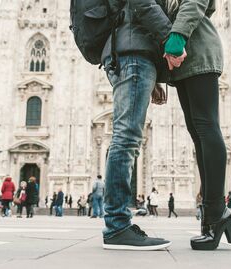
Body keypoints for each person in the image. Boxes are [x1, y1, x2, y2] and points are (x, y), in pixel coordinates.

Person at [163, 0, 231, 250]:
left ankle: (216, 210)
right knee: (198, 133)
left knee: (207, 128)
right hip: (182, 62)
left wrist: (177, 37)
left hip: (198, 51)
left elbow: (197, 3)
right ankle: (211, 215)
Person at [98, 0, 173, 250]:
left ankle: (118, 224)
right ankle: (118, 226)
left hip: (132, 55)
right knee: (126, 140)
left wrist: (153, 77)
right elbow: (142, 4)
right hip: (132, 56)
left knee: (126, 139)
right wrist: (172, 40)